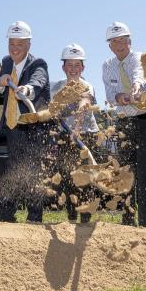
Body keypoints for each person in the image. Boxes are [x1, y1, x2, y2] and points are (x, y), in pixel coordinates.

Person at [100, 22, 146, 227]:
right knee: (126, 171)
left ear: (130, 41)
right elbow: (109, 96)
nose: (120, 45)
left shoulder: (139, 58)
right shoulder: (107, 66)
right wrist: (120, 97)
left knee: (145, 170)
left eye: (123, 40)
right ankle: (127, 219)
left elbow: (138, 74)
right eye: (115, 41)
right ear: (110, 45)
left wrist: (136, 88)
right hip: (125, 122)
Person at [0, 21, 51, 223]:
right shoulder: (6, 62)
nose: (15, 49)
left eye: (19, 45)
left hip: (33, 129)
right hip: (12, 127)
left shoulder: (38, 64)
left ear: (28, 45)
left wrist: (26, 90)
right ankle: (6, 217)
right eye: (12, 44)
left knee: (32, 172)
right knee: (13, 169)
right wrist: (1, 84)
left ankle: (34, 218)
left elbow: (38, 81)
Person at [50, 43, 99, 223]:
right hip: (65, 137)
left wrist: (77, 127)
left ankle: (85, 220)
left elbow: (84, 104)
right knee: (69, 177)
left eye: (77, 65)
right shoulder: (56, 88)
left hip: (85, 135)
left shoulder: (87, 86)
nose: (73, 69)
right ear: (63, 67)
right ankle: (71, 217)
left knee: (84, 178)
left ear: (83, 67)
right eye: (69, 65)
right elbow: (51, 110)